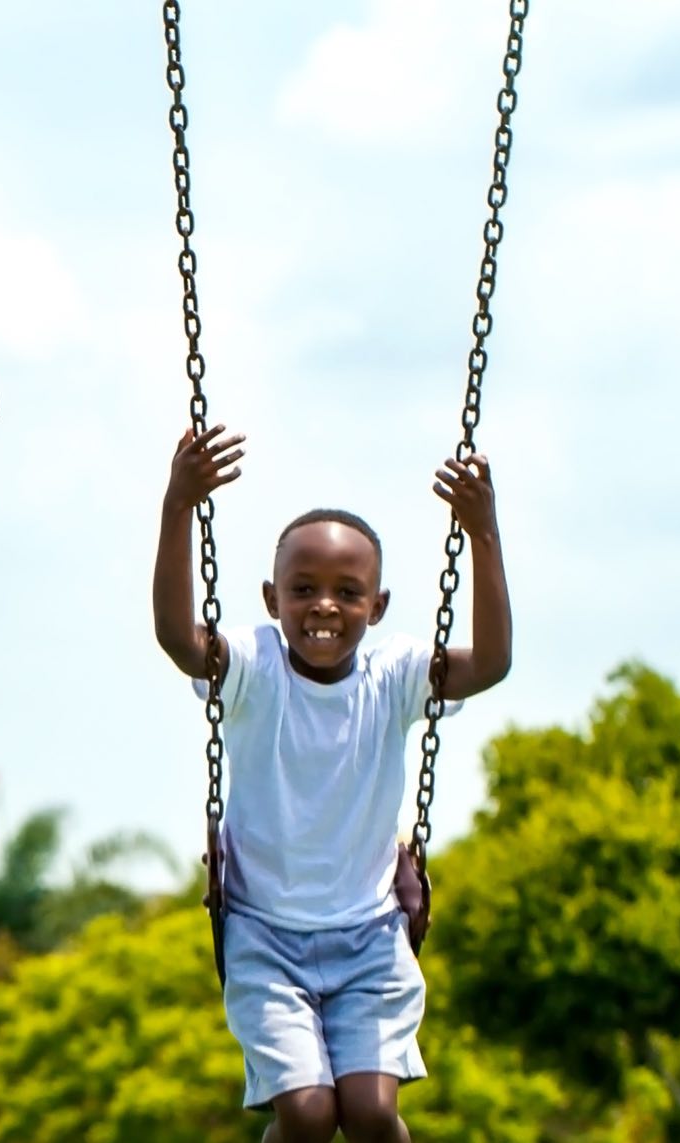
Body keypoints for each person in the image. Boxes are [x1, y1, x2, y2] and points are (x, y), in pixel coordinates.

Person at [152, 425, 512, 1143]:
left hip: (369, 938)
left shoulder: (395, 675)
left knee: (372, 1113)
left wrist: (483, 534)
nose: (324, 606)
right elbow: (179, 639)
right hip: (265, 937)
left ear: (377, 605)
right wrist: (178, 506)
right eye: (303, 589)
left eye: (348, 592)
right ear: (271, 598)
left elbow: (492, 663)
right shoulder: (254, 666)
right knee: (309, 1113)